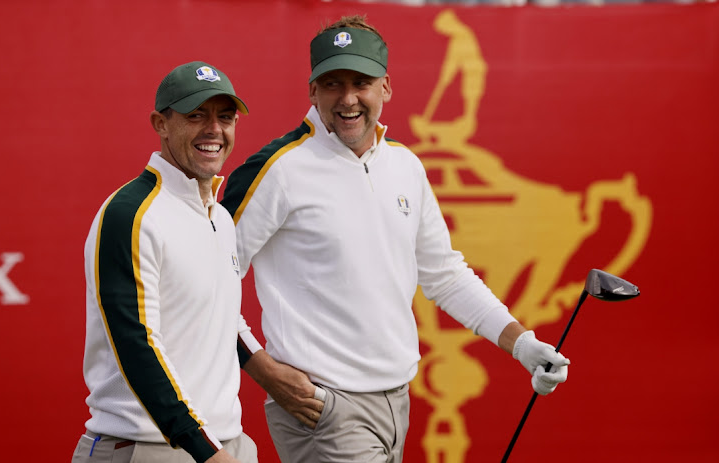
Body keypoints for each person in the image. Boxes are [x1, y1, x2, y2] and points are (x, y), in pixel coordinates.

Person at [221, 16, 570, 463]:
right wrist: (263, 370)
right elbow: (208, 281)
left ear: (385, 87)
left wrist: (523, 344)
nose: (348, 99)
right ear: (312, 91)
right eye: (332, 84)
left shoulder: (405, 166)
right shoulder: (276, 169)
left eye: (361, 82)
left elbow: (444, 276)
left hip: (397, 401)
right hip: (322, 408)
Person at [72, 61, 261, 463]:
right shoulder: (130, 213)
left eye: (225, 117)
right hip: (148, 447)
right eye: (196, 115)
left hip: (227, 445)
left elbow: (221, 321)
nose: (214, 129)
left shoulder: (220, 217)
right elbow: (136, 344)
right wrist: (206, 450)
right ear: (161, 123)